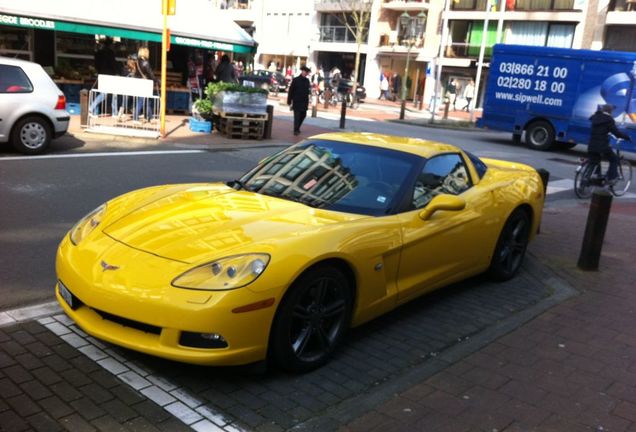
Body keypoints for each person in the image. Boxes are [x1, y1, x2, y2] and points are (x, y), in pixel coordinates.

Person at [588, 104, 631, 185]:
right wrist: (626, 137)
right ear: (610, 111)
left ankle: (596, 176)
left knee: (595, 160)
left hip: (591, 145)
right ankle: (611, 178)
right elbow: (616, 133)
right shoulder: (609, 119)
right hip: (602, 146)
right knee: (614, 159)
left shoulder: (595, 117)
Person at [90, 37, 120, 116]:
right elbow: (113, 64)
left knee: (105, 93)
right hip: (109, 75)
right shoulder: (110, 53)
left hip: (102, 74)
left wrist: (99, 71)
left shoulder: (99, 52)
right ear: (110, 45)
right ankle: (92, 108)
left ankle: (113, 112)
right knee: (111, 93)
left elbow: (96, 64)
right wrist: (116, 72)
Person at [133, 47, 156, 122]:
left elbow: (137, 73)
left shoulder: (137, 62)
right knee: (141, 100)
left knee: (147, 100)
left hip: (138, 83)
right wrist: (156, 81)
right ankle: (135, 118)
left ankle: (151, 117)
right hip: (145, 83)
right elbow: (150, 74)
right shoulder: (145, 62)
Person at [287, 65, 311, 136]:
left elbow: (307, 91)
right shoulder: (296, 80)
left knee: (303, 115)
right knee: (297, 116)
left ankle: (297, 127)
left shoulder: (307, 81)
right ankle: (296, 130)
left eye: (306, 72)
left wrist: (308, 100)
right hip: (297, 101)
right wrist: (289, 100)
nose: (305, 73)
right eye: (304, 71)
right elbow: (291, 91)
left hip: (304, 101)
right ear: (302, 71)